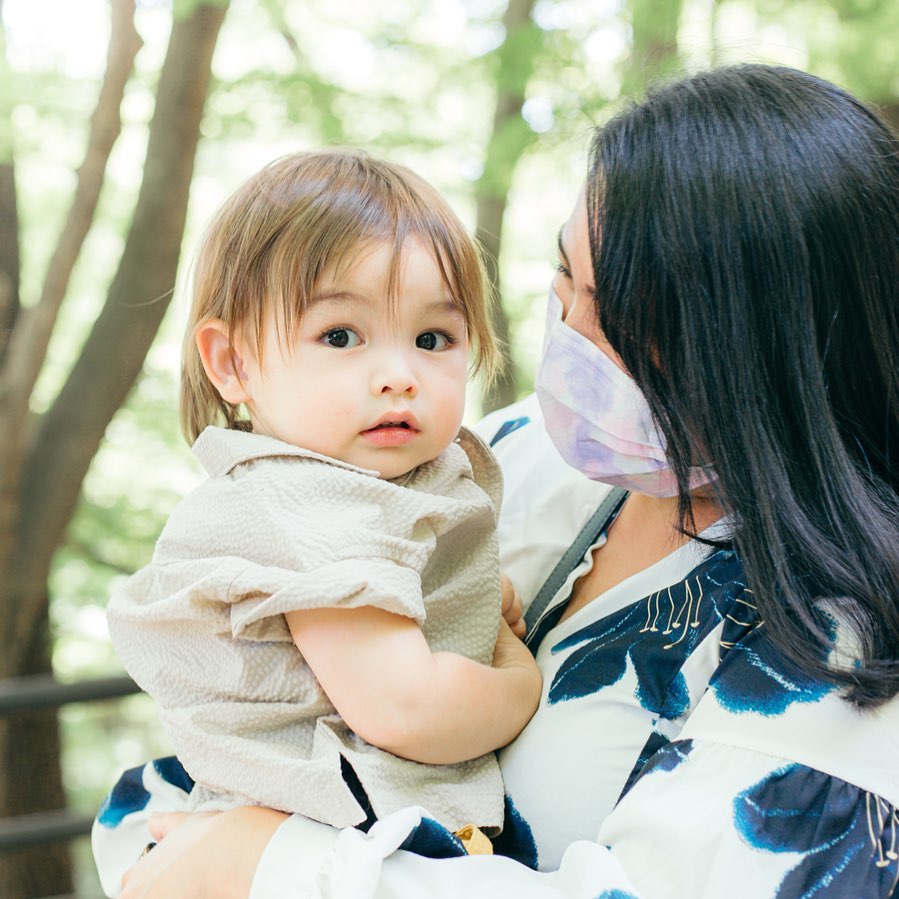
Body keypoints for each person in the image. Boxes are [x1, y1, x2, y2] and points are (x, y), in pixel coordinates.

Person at [94, 64, 899, 898]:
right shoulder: (508, 453)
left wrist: (265, 865)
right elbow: (248, 722)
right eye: (564, 279)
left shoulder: (839, 650)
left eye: (622, 314)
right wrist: (187, 855)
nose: (574, 337)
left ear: (772, 347)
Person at [101, 149, 542, 866]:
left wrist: (458, 602)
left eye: (433, 338)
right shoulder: (305, 506)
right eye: (340, 336)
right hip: (331, 832)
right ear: (233, 362)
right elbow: (408, 709)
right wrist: (517, 675)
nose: (398, 375)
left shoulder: (376, 483)